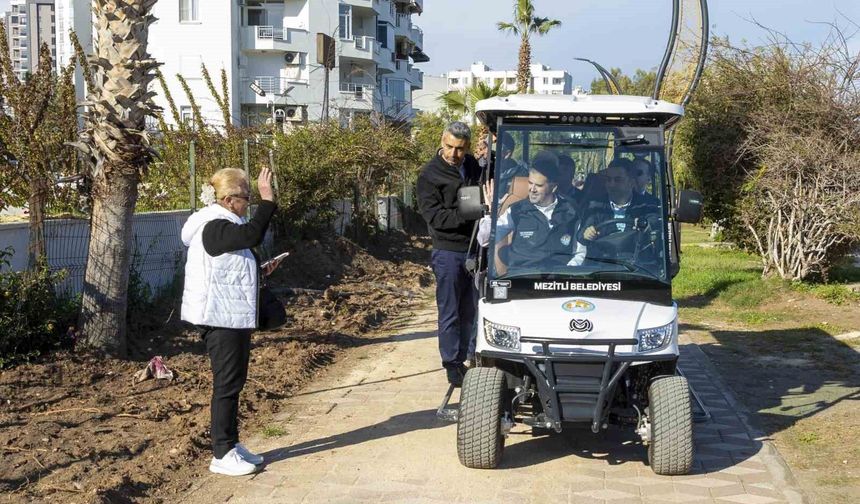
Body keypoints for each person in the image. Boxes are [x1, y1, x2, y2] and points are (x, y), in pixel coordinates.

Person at [180, 167, 284, 476]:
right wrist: (268, 200)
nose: (248, 204)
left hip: (230, 314)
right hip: (220, 318)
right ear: (228, 200)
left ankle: (232, 445)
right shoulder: (214, 226)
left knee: (234, 383)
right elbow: (252, 234)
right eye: (246, 199)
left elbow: (229, 263)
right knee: (226, 385)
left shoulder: (223, 225)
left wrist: (259, 270)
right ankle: (221, 454)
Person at [416, 122, 482, 387]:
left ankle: (468, 355)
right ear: (442, 142)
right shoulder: (429, 175)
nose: (455, 154)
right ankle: (451, 364)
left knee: (471, 309)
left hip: (476, 248)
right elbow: (433, 216)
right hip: (448, 251)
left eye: (460, 149)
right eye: (450, 147)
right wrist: (465, 215)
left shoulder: (472, 166)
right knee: (450, 310)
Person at [478, 151, 586, 269]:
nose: (532, 190)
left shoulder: (571, 211)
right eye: (530, 183)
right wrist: (490, 214)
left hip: (558, 280)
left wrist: (566, 274)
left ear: (553, 187)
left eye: (538, 186)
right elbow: (485, 240)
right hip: (522, 278)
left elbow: (580, 252)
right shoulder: (516, 210)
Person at [578, 158, 660, 259]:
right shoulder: (596, 206)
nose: (611, 184)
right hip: (600, 266)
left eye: (618, 180)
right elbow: (581, 234)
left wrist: (645, 225)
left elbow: (654, 223)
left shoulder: (647, 206)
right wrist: (586, 234)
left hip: (638, 267)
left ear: (631, 182)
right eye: (608, 180)